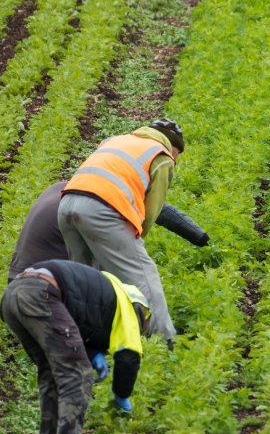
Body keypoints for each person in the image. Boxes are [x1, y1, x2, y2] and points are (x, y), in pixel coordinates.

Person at [0, 259, 150, 434]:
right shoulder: (129, 311)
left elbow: (72, 324)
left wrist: (92, 352)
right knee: (77, 373)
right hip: (42, 294)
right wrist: (121, 395)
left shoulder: (105, 293)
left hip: (14, 293)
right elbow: (128, 358)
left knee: (51, 372)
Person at [57, 119, 183, 339]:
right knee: (144, 276)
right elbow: (151, 210)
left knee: (83, 282)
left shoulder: (116, 140)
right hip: (102, 209)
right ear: (174, 147)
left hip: (67, 204)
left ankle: (79, 340)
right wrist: (134, 240)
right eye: (178, 155)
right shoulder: (162, 156)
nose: (176, 159)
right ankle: (164, 342)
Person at [9, 181, 210, 282]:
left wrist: (199, 236)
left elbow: (157, 209)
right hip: (44, 289)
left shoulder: (64, 188)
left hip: (19, 282)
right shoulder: (93, 202)